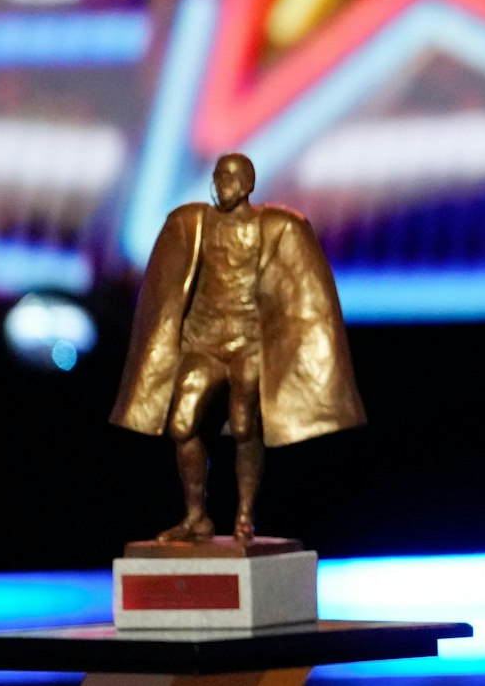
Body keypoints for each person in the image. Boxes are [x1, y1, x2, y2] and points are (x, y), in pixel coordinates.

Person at [109, 152, 364, 542]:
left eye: (229, 177)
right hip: (204, 343)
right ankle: (197, 516)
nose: (220, 184)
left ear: (247, 184)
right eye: (216, 176)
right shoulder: (193, 223)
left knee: (245, 425)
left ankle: (245, 513)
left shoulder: (273, 226)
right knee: (181, 425)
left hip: (248, 345)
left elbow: (301, 291)